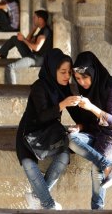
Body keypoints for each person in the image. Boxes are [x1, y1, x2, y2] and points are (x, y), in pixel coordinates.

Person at [16, 48, 82, 210]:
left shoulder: (63, 87)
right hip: (29, 134)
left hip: (51, 132)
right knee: (28, 162)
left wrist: (81, 125)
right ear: (53, 70)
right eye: (63, 72)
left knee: (64, 156)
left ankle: (36, 196)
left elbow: (76, 113)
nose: (67, 76)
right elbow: (42, 116)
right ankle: (48, 203)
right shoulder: (39, 87)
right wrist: (63, 104)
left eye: (69, 73)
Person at [66, 51, 112, 210]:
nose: (82, 82)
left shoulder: (110, 86)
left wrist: (91, 107)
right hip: (94, 134)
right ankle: (109, 166)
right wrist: (79, 127)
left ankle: (97, 209)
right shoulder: (85, 91)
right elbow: (88, 122)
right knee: (71, 139)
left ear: (93, 73)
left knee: (95, 167)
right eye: (78, 79)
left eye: (85, 77)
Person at [0, 10, 52, 84]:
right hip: (33, 56)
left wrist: (23, 39)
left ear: (40, 19)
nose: (33, 18)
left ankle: (11, 88)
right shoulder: (41, 30)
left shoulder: (45, 32)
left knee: (10, 67)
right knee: (15, 38)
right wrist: (33, 29)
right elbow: (28, 40)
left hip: (37, 60)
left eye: (35, 17)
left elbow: (36, 48)